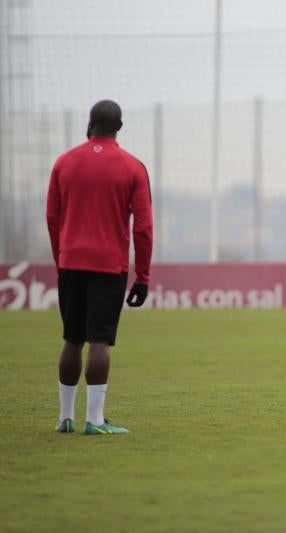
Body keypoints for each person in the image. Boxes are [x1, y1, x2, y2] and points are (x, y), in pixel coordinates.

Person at [46, 100, 153, 434]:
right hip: (109, 266)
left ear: (89, 124)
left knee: (71, 339)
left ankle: (66, 417)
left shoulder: (64, 163)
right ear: (119, 128)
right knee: (100, 342)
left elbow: (52, 217)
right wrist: (143, 276)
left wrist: (60, 260)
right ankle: (94, 420)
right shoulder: (133, 167)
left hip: (71, 262)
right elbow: (143, 228)